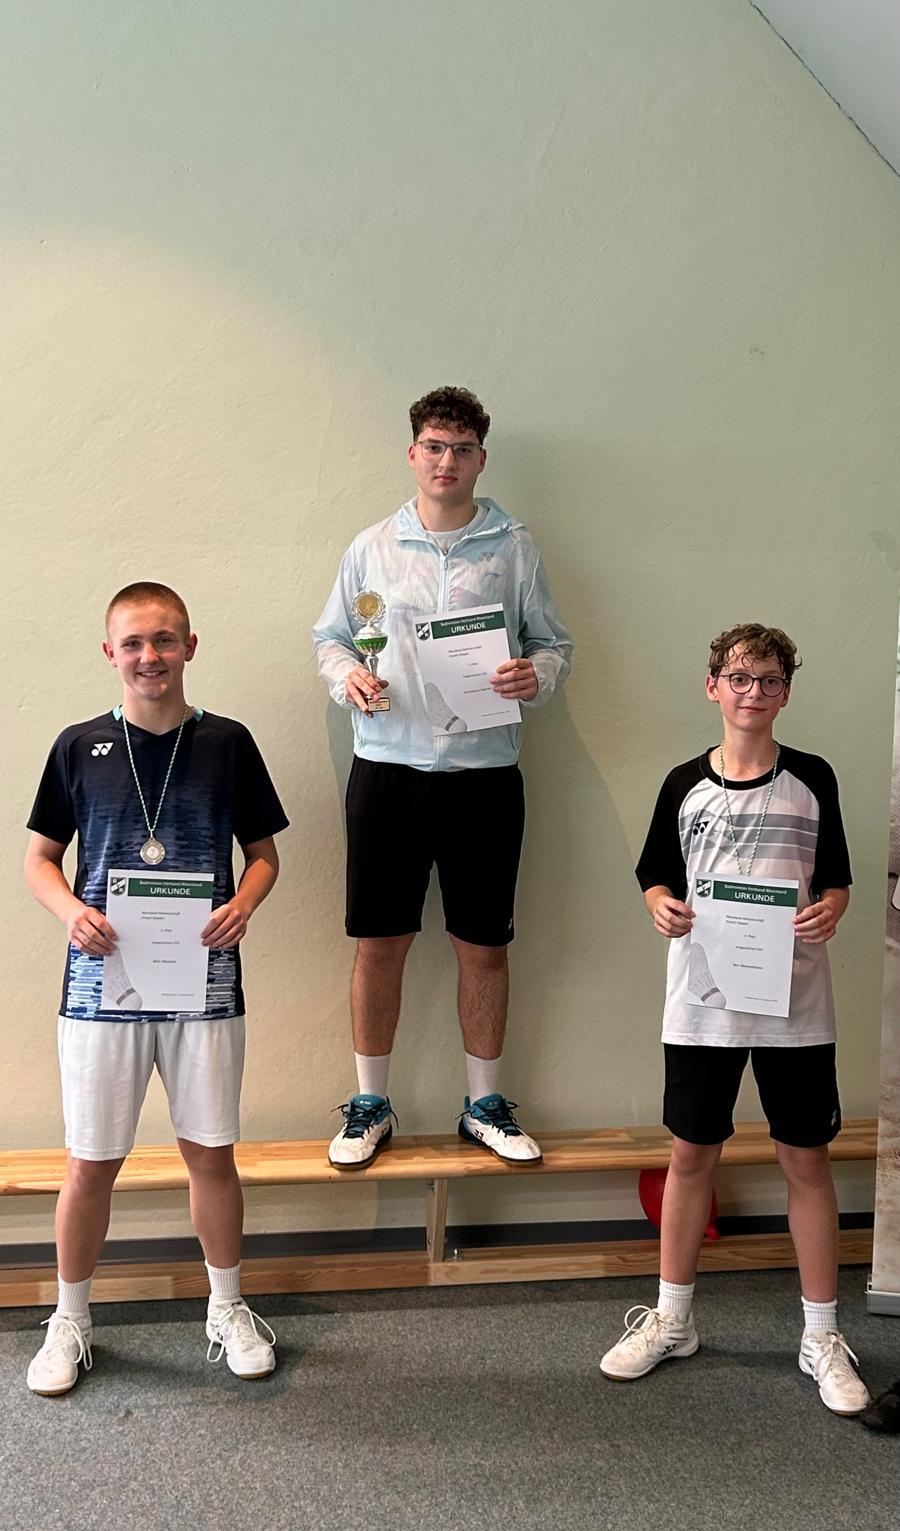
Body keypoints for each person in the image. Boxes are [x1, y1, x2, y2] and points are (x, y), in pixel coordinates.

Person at [24, 582, 289, 1395]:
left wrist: (244, 905)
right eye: (134, 642)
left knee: (211, 1153)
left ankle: (226, 1306)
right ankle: (70, 1318)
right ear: (111, 652)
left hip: (203, 983)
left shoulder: (229, 743)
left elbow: (264, 856)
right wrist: (72, 912)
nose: (150, 656)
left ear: (190, 646)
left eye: (165, 639)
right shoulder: (78, 746)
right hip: (101, 988)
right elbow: (38, 860)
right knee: (91, 1161)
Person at [600, 623, 870, 1415]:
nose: (755, 692)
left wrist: (831, 910)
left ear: (787, 692)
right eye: (741, 678)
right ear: (713, 686)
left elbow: (837, 880)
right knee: (691, 1155)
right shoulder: (682, 783)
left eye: (771, 680)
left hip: (796, 1008)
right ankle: (673, 1318)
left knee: (806, 1161)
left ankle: (821, 1335)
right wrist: (660, 906)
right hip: (702, 1007)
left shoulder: (812, 778)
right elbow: (656, 876)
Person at [313, 386, 572, 1168]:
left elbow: (553, 646)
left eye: (461, 449)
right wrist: (348, 679)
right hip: (386, 773)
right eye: (433, 445)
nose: (446, 461)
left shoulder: (514, 547)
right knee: (379, 944)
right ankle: (370, 1104)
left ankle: (484, 1104)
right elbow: (332, 639)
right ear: (412, 453)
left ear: (480, 459)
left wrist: (536, 676)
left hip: (483, 779)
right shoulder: (371, 547)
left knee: (483, 946)